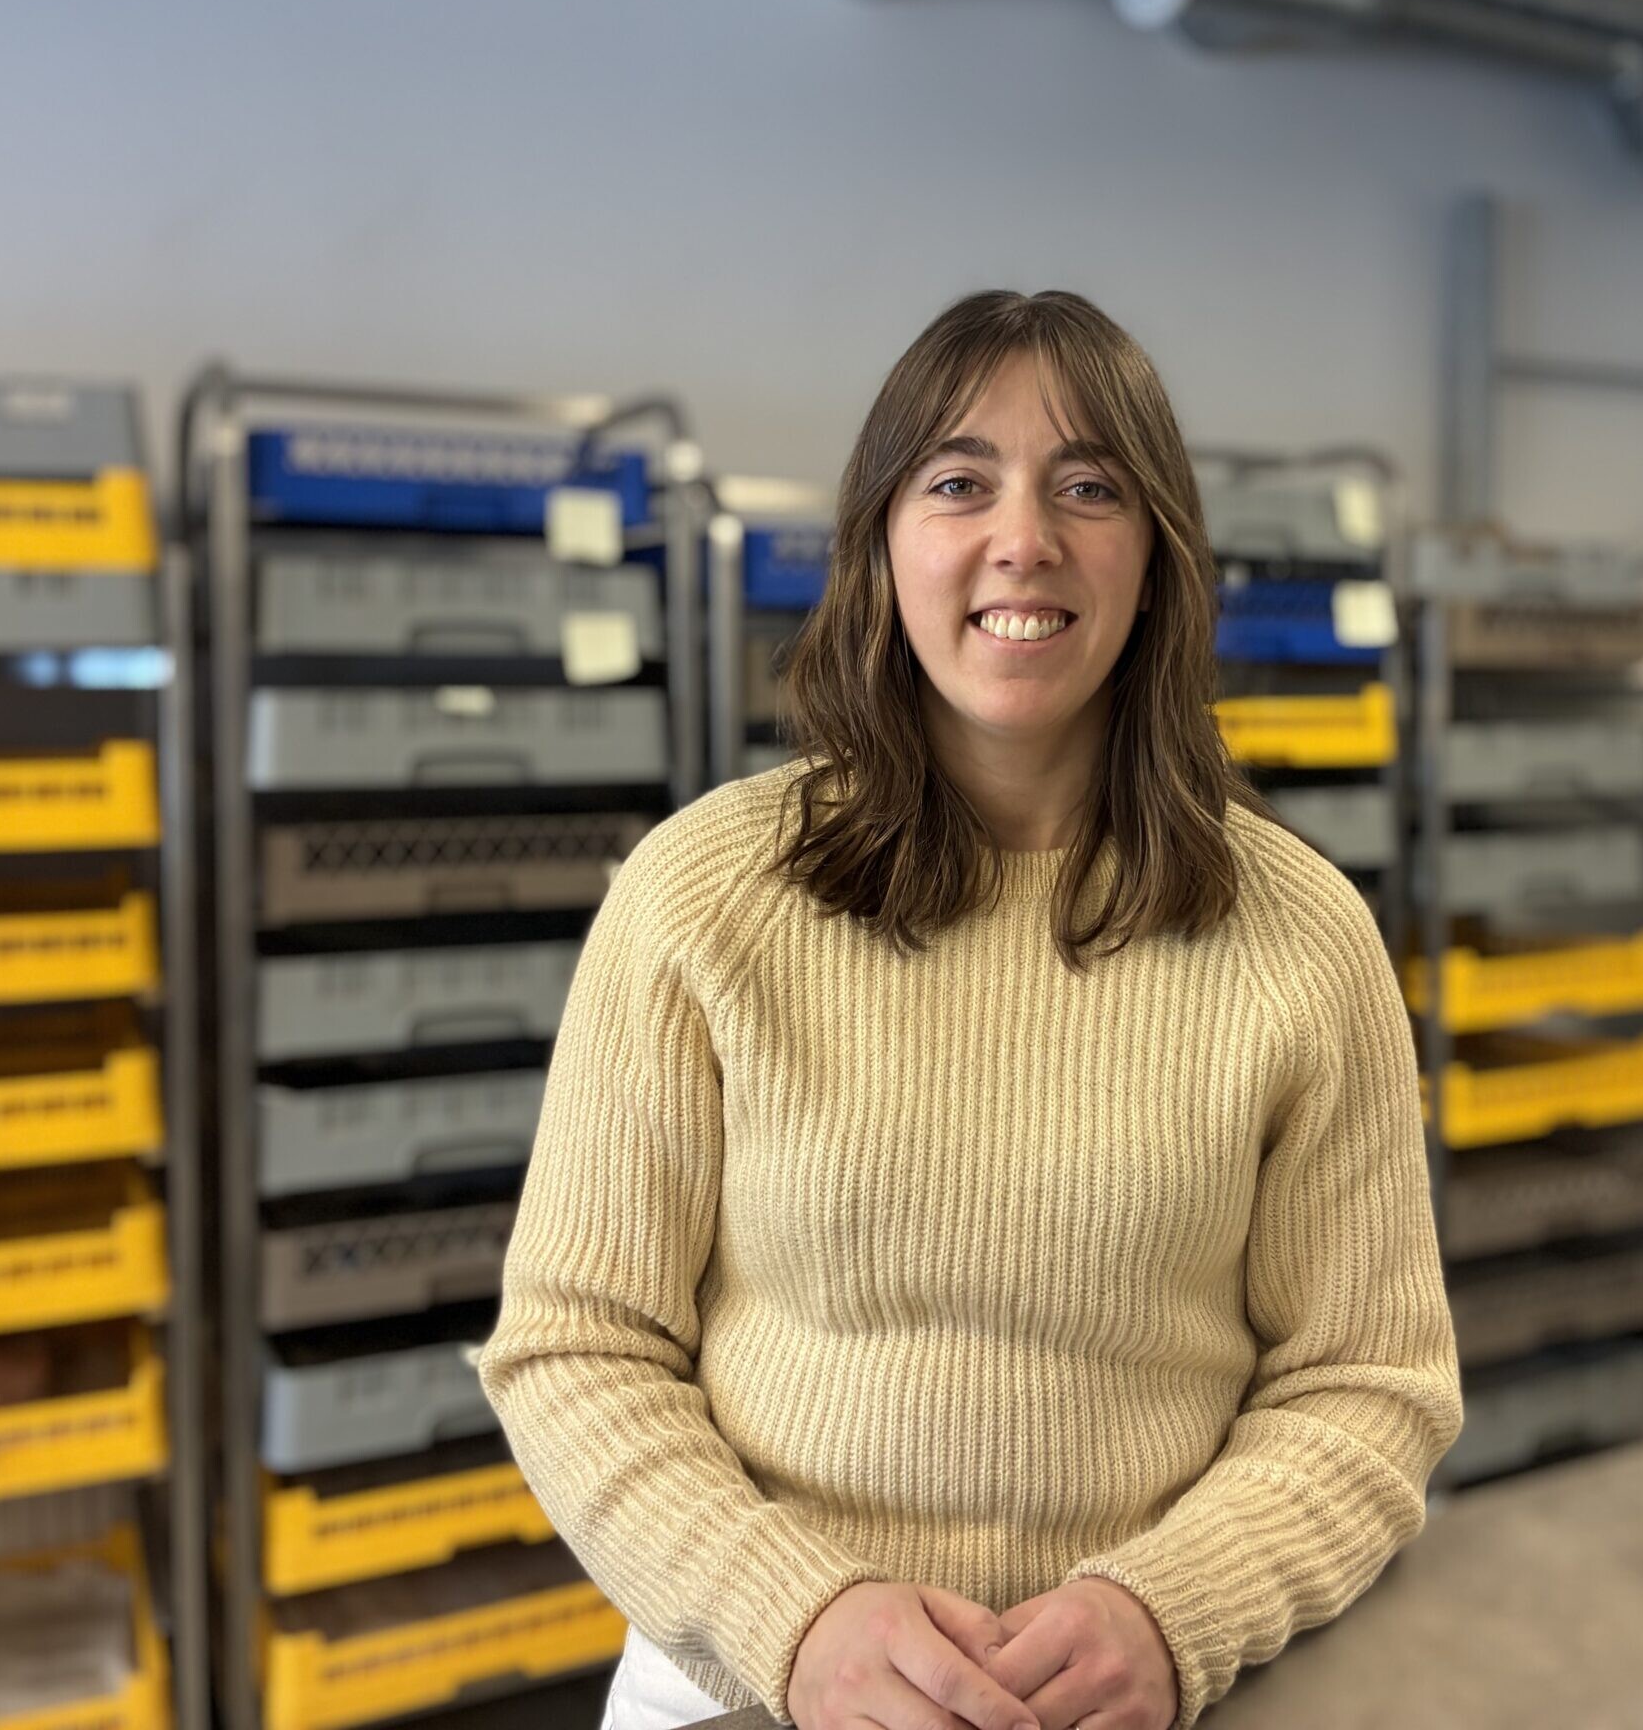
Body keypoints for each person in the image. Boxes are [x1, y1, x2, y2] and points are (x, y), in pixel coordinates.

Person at [479, 289, 1463, 1730]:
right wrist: (792, 1618)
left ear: (1159, 561)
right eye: (957, 483)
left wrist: (1170, 1610)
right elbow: (575, 1343)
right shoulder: (699, 897)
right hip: (747, 1686)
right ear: (882, 546)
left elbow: (1370, 1384)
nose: (1025, 539)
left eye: (1089, 487)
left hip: (1147, 1697)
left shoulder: (1302, 938)